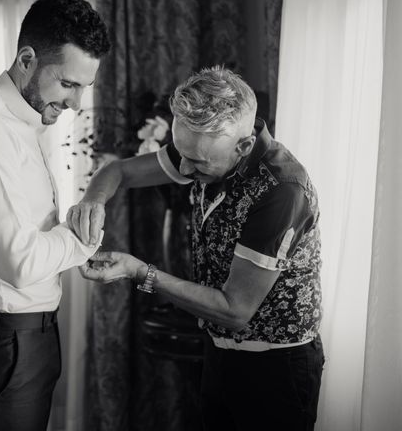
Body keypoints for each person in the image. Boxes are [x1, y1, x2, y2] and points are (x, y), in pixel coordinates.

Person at [68, 66, 324, 431]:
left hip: (275, 370)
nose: (183, 168)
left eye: (197, 162)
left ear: (244, 146)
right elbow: (118, 173)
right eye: (181, 153)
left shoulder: (282, 191)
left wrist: (138, 271)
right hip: (219, 353)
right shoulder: (201, 151)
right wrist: (92, 201)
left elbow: (235, 310)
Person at [0, 0, 110, 431]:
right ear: (27, 59)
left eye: (83, 88)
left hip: (21, 339)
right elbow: (21, 261)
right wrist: (81, 238)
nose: (75, 103)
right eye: (68, 84)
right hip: (3, 344)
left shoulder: (21, 124)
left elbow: (31, 234)